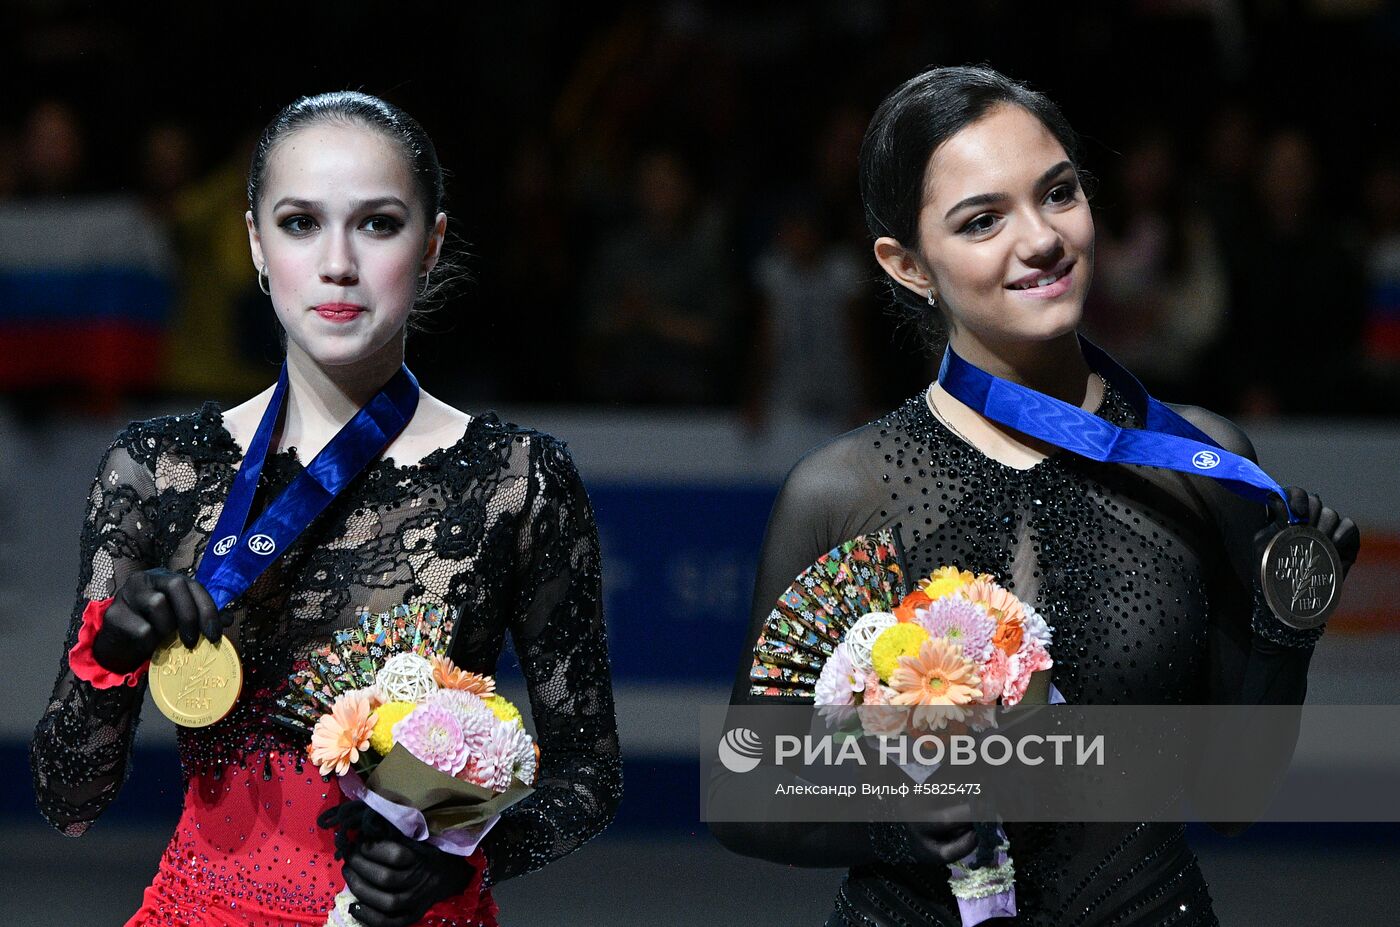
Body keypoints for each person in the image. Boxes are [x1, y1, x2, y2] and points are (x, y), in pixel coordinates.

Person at [713, 67, 1359, 926]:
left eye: (1058, 193)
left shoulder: (1202, 463)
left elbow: (1231, 797)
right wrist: (911, 818)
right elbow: (748, 790)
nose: (1042, 239)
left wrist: (1285, 636)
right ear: (907, 265)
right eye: (983, 220)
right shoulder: (844, 490)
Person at [30, 91, 621, 927]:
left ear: (432, 244)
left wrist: (460, 856)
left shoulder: (519, 479)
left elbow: (586, 774)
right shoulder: (156, 471)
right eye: (301, 222)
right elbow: (68, 795)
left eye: (378, 223)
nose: (337, 262)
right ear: (255, 245)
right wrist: (113, 651)